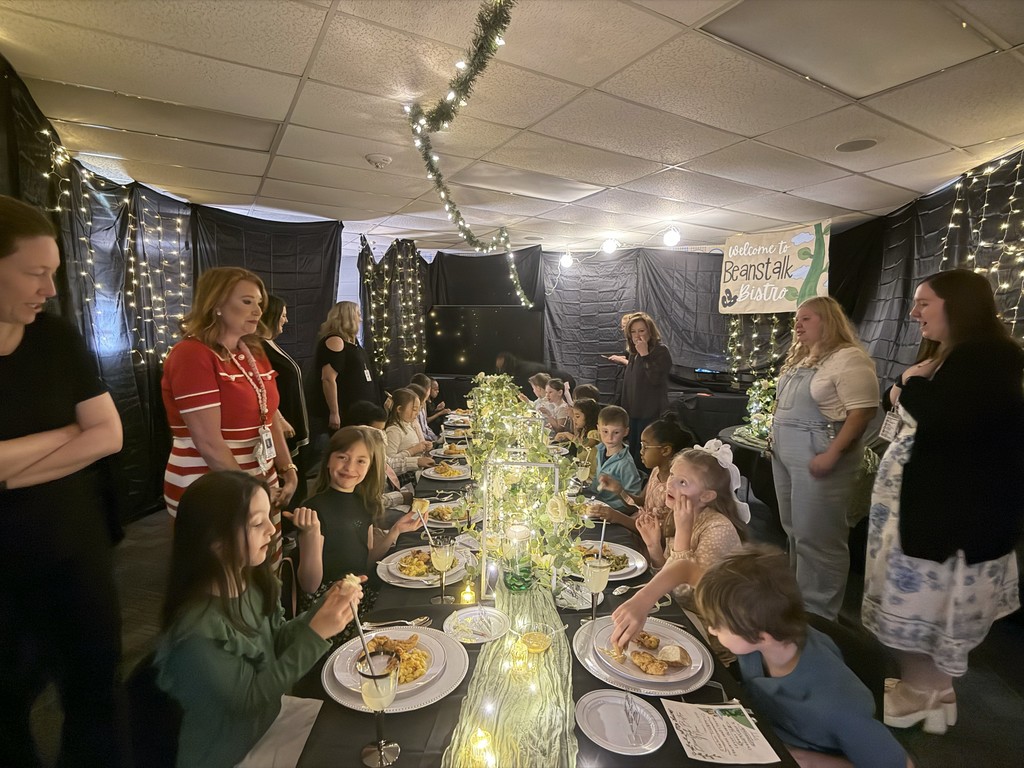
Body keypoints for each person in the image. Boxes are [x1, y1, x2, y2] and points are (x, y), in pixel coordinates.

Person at [862, 270, 1024, 735]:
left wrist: (909, 384)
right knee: (926, 605)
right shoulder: (959, 354)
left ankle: (924, 692)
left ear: (959, 305)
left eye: (924, 303)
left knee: (929, 607)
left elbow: (945, 418)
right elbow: (907, 398)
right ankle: (934, 691)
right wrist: (907, 382)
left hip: (948, 522)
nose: (914, 312)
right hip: (933, 514)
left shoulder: (988, 357)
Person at [0, 195, 130, 767]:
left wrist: (6, 470)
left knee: (96, 689)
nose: (49, 290)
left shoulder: (55, 339)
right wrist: (67, 434)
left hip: (75, 549)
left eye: (52, 273)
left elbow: (109, 434)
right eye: (35, 273)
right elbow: (89, 433)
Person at [155, 471, 365, 768]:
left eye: (269, 516)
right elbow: (250, 699)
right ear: (216, 541)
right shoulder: (196, 632)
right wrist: (316, 634)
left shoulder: (252, 583)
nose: (271, 529)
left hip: (269, 724)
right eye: (257, 523)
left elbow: (275, 642)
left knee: (355, 732)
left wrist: (322, 610)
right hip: (229, 755)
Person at [695, 546, 911, 768]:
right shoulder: (765, 638)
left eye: (718, 625)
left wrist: (811, 760)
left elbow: (899, 765)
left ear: (761, 636)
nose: (711, 629)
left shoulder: (837, 705)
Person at [771, 296, 879, 620]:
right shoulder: (803, 359)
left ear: (828, 321)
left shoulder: (848, 358)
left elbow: (863, 412)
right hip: (786, 453)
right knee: (795, 530)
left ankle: (819, 615)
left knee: (819, 536)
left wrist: (833, 454)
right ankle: (797, 601)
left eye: (807, 318)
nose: (798, 324)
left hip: (818, 452)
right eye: (797, 319)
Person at [161, 267, 298, 518]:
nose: (258, 311)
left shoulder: (252, 351)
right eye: (247, 302)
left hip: (260, 478)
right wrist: (254, 489)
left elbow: (269, 417)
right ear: (216, 304)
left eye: (259, 303)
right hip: (209, 482)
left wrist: (287, 468)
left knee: (265, 542)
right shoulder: (191, 354)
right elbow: (209, 443)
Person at [610, 440, 748, 662]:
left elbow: (684, 594)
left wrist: (683, 532)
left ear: (706, 496)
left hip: (710, 636)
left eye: (682, 482)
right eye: (672, 475)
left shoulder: (717, 529)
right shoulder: (682, 513)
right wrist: (654, 548)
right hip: (681, 614)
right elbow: (669, 578)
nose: (670, 484)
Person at [291, 427, 422, 606]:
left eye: (361, 461)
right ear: (328, 460)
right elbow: (309, 585)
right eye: (342, 457)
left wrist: (395, 530)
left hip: (361, 594)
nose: (350, 467)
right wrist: (311, 534)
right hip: (330, 604)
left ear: (369, 467)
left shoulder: (364, 503)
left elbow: (366, 562)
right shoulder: (313, 509)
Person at [601, 416, 695, 566]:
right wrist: (618, 489)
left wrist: (617, 517)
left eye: (645, 446)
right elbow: (640, 503)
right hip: (636, 528)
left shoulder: (675, 489)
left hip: (651, 548)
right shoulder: (656, 471)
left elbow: (661, 534)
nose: (641, 451)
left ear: (665, 450)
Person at [260, 294, 310, 503]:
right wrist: (279, 418)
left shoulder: (269, 344)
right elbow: (263, 389)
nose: (286, 320)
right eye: (283, 315)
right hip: (280, 425)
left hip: (291, 421)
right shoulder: (259, 348)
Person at [605, 311, 672, 465]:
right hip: (632, 413)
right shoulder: (633, 353)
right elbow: (630, 385)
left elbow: (656, 379)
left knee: (645, 456)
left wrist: (645, 355)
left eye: (641, 330)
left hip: (650, 414)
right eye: (633, 331)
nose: (637, 335)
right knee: (632, 453)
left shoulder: (661, 351)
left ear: (650, 331)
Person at [308, 301, 381, 437]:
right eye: (357, 314)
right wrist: (334, 412)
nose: (360, 319)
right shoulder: (335, 340)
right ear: (348, 317)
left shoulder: (353, 342)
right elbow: (328, 379)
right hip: (346, 410)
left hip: (361, 410)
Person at [587, 405, 642, 516]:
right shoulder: (600, 450)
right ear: (598, 429)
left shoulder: (626, 463)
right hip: (596, 502)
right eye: (605, 431)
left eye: (616, 432)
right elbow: (596, 482)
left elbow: (633, 504)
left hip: (614, 512)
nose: (610, 437)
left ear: (625, 432)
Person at [384, 388, 432, 477]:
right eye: (414, 409)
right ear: (399, 409)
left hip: (416, 471)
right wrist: (413, 451)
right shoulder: (394, 430)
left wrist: (424, 446)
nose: (417, 413)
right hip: (405, 476)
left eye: (418, 410)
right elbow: (389, 461)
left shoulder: (409, 424)